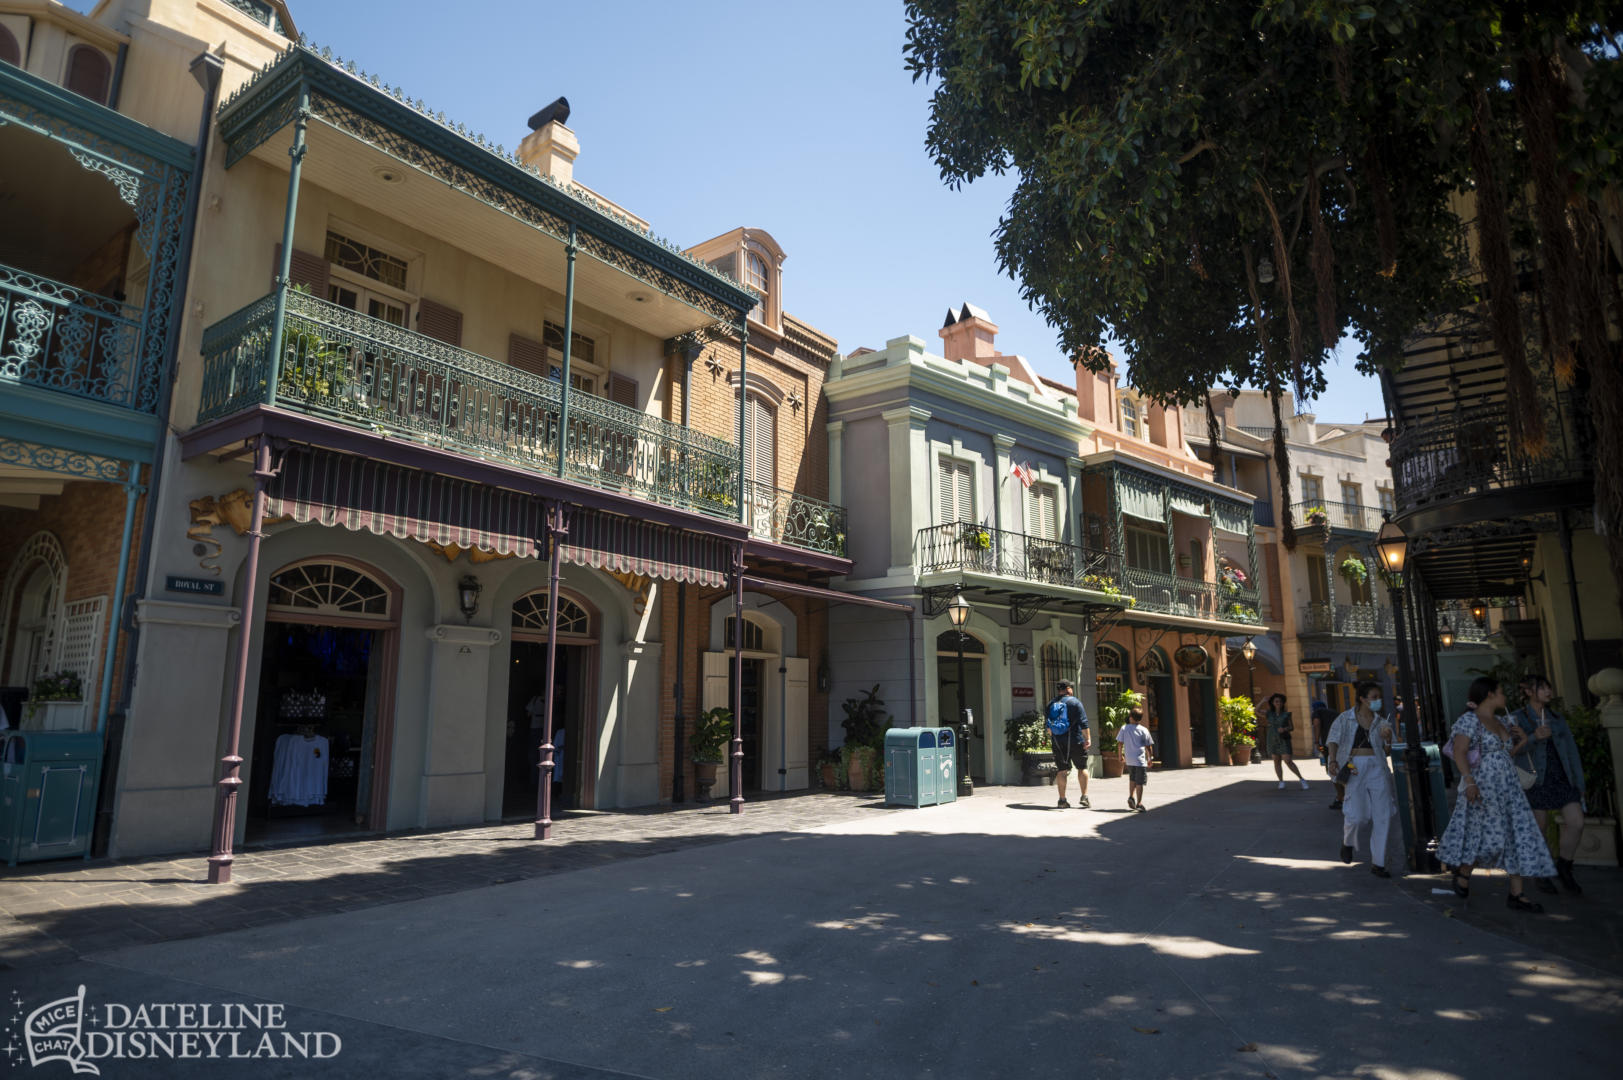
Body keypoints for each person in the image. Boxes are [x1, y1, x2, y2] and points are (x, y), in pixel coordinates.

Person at [1438, 676, 1554, 912]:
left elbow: (1506, 753)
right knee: (1485, 837)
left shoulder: (1501, 720)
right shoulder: (1470, 720)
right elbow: (1460, 752)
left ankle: (1517, 893)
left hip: (1509, 787)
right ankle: (1464, 871)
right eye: (1501, 691)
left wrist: (1522, 741)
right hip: (1484, 787)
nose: (1505, 696)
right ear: (1489, 694)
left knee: (1516, 835)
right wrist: (1469, 782)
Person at [1511, 674, 1585, 895]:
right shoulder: (1518, 718)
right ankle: (1542, 872)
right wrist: (1533, 737)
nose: (1548, 692)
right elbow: (1512, 750)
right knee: (1539, 827)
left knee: (1576, 822)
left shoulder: (1557, 718)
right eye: (1542, 688)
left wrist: (1579, 783)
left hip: (1561, 777)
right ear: (1528, 691)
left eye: (1548, 687)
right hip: (1536, 779)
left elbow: (1571, 751)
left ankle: (1564, 865)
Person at [1325, 681, 1398, 878]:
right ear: (1363, 699)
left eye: (1378, 697)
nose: (1378, 701)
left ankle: (1379, 863)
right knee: (1357, 815)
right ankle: (1348, 842)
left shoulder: (1382, 721)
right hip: (1354, 767)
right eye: (1374, 697)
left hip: (1377, 766)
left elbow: (1388, 750)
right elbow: (1333, 740)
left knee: (1382, 815)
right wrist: (1332, 760)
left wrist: (1388, 738)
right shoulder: (1345, 718)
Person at [1049, 680, 1091, 809]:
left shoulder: (1051, 703)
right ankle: (1084, 797)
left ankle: (1062, 800)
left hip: (1058, 741)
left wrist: (1056, 738)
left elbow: (1049, 727)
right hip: (1075, 740)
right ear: (1068, 689)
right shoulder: (1075, 702)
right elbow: (1084, 723)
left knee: (1062, 770)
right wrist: (1088, 738)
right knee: (1082, 767)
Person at [1260, 693, 1309, 791]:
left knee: (1288, 761)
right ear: (1273, 703)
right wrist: (1262, 701)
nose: (1278, 703)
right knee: (1276, 761)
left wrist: (1285, 728)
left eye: (1280, 701)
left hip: (1283, 739)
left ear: (1283, 703)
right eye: (1276, 701)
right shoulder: (1269, 713)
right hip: (1272, 739)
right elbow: (1256, 711)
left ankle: (1302, 779)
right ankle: (1281, 781)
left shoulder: (1286, 714)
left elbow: (1292, 727)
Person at [1120, 707, 1154, 812]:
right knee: (1139, 782)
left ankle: (1131, 796)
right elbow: (1149, 746)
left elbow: (1119, 743)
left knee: (1132, 779)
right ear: (1140, 718)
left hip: (1129, 759)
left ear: (1130, 717)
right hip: (1140, 760)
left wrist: (1120, 755)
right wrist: (1150, 758)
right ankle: (1139, 803)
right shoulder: (1144, 730)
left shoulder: (1124, 728)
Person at [1313, 700, 1342, 809]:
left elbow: (1316, 723)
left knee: (1331, 770)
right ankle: (1343, 795)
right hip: (1342, 743)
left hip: (1328, 744)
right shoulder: (1334, 712)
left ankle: (1340, 796)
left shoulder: (1317, 712)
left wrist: (1316, 741)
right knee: (1342, 768)